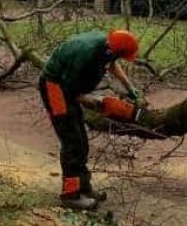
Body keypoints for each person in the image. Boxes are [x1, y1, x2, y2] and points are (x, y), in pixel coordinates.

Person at [38, 29, 142, 211]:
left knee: (82, 142)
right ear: (116, 50)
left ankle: (84, 187)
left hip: (66, 88)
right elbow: (69, 91)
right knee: (72, 143)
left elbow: (111, 64)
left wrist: (129, 87)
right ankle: (70, 195)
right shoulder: (86, 55)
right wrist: (99, 104)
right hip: (54, 89)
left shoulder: (108, 47)